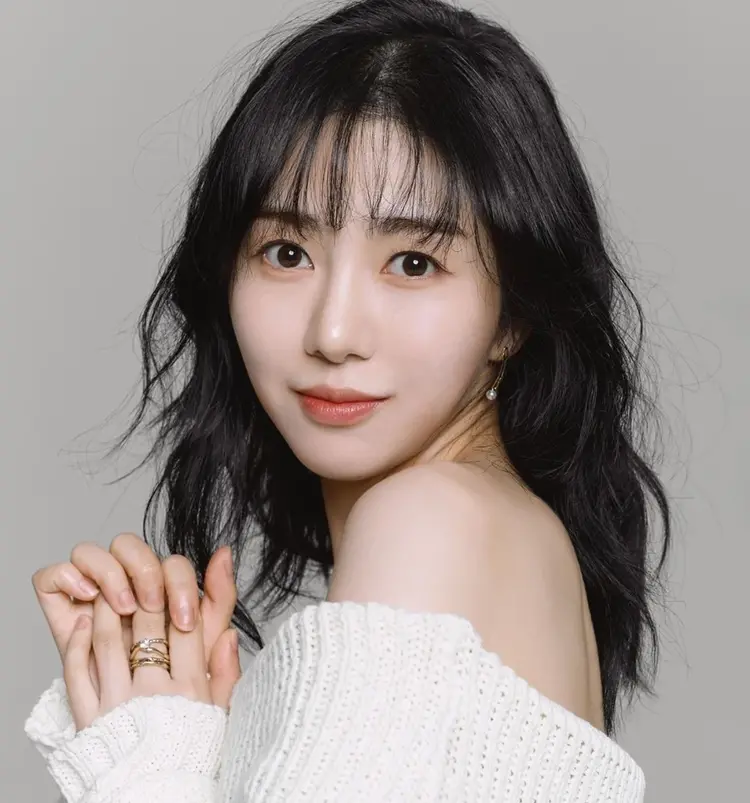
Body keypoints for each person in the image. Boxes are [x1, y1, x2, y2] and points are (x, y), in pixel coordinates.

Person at [24, 0, 671, 800]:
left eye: (413, 264)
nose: (332, 332)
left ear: (513, 315)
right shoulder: (505, 532)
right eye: (286, 251)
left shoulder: (429, 520)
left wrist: (150, 755)